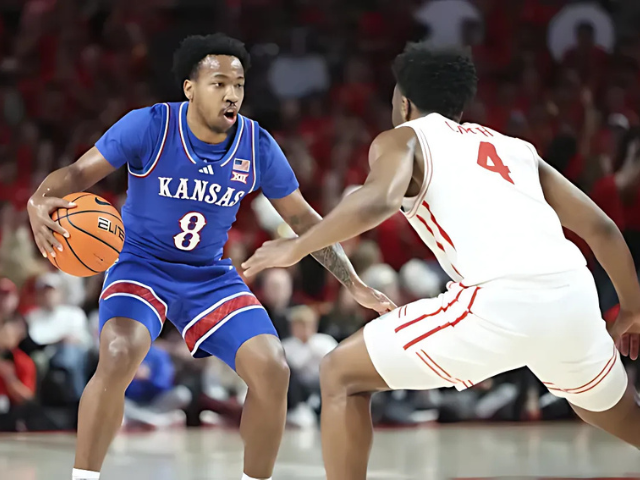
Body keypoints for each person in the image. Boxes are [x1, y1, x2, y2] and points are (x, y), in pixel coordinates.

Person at [242, 42, 640, 480]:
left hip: (499, 301)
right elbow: (602, 228)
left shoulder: (404, 138)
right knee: (616, 413)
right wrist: (633, 308)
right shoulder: (515, 149)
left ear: (404, 103)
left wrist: (297, 246)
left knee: (340, 374)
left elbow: (379, 201)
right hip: (573, 296)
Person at [27, 34, 393, 480]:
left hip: (209, 276)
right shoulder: (150, 125)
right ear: (190, 88)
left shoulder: (256, 145)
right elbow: (77, 173)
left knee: (272, 368)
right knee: (120, 351)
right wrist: (38, 199)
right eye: (219, 83)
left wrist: (354, 283)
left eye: (238, 85)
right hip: (141, 265)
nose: (231, 94)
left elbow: (305, 220)